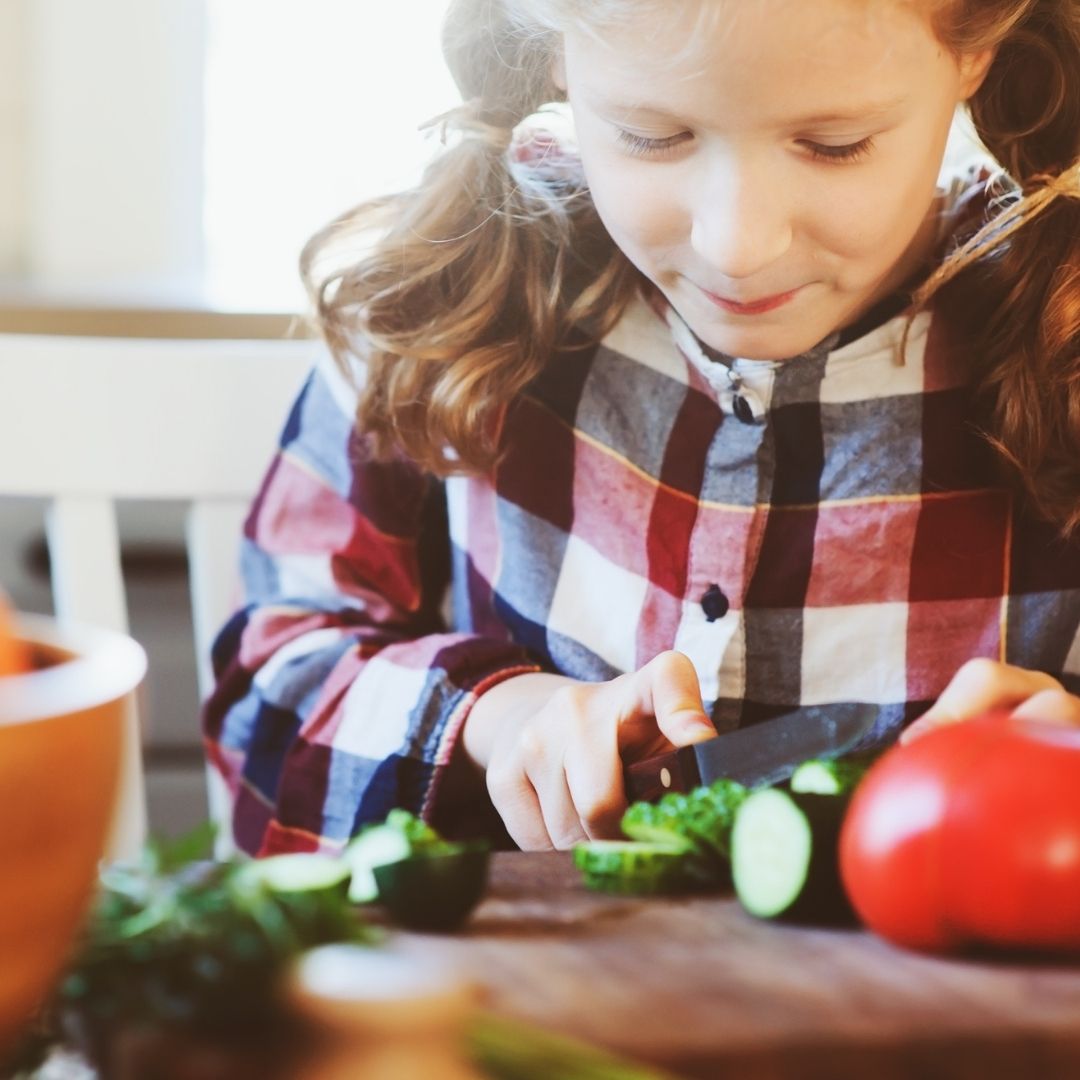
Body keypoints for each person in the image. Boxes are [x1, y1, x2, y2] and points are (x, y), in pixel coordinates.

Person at [203, 0, 1080, 857]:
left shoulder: (1060, 338)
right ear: (552, 56)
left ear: (978, 54)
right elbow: (278, 678)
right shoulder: (437, 308)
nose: (738, 245)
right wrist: (500, 719)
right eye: (652, 136)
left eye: (834, 145)